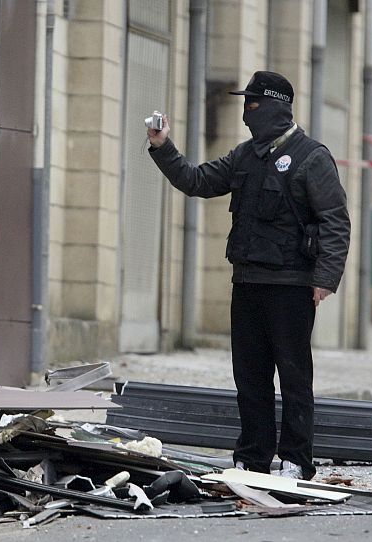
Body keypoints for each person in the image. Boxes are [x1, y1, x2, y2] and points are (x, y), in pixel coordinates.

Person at [147, 71, 350, 480]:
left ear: (276, 107)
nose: (246, 113)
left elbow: (335, 221)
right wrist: (162, 146)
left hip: (291, 285)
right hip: (247, 282)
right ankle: (252, 458)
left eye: (253, 104)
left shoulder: (311, 157)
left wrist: (325, 279)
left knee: (294, 376)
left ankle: (296, 461)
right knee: (250, 378)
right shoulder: (244, 156)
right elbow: (197, 181)